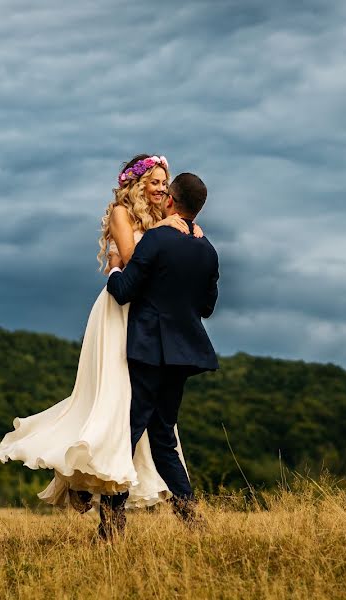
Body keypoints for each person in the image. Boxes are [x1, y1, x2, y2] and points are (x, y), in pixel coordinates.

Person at [0, 155, 204, 524]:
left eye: (164, 183)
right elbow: (130, 258)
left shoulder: (167, 222)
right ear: (137, 184)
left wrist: (186, 229)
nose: (160, 188)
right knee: (115, 402)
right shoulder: (122, 213)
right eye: (154, 181)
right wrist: (172, 231)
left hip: (150, 320)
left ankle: (121, 501)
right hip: (119, 313)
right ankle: (104, 497)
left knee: (141, 414)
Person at [99, 172, 219, 540]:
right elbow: (207, 307)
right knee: (164, 437)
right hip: (184, 353)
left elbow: (123, 291)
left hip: (149, 349)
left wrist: (117, 263)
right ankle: (191, 520)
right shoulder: (207, 249)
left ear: (170, 201)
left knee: (128, 433)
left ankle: (111, 528)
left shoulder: (155, 241)